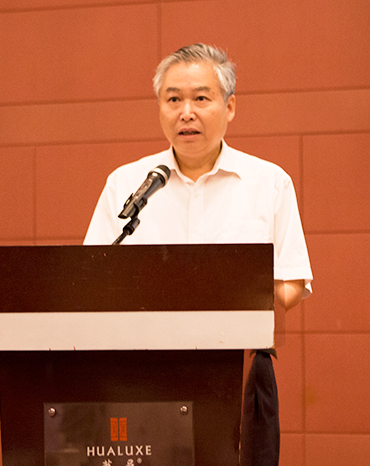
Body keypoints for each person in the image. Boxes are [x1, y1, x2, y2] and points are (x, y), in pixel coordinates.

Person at [84, 44, 313, 466]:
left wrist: (225, 293)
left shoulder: (268, 182)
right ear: (160, 108)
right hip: (140, 375)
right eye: (173, 99)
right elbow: (91, 279)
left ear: (230, 107)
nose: (186, 112)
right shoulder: (126, 183)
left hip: (234, 373)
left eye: (201, 98)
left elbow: (292, 286)